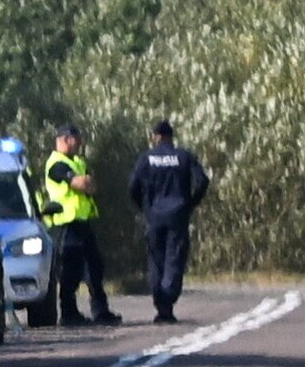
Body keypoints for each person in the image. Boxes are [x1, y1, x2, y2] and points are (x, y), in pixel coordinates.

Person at [128, 119, 213, 322]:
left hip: (155, 215)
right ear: (171, 136)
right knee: (174, 257)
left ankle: (161, 303)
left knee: (156, 259)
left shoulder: (147, 158)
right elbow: (202, 181)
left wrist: (144, 208)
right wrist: (190, 203)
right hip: (178, 215)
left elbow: (133, 186)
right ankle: (167, 301)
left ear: (156, 136)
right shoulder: (183, 156)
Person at [41, 127, 117, 325]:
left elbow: (91, 185)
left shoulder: (77, 162)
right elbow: (80, 184)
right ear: (66, 139)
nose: (80, 143)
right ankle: (69, 314)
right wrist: (84, 183)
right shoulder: (56, 163)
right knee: (70, 271)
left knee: (95, 267)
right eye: (77, 139)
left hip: (83, 223)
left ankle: (101, 311)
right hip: (66, 225)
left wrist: (85, 183)